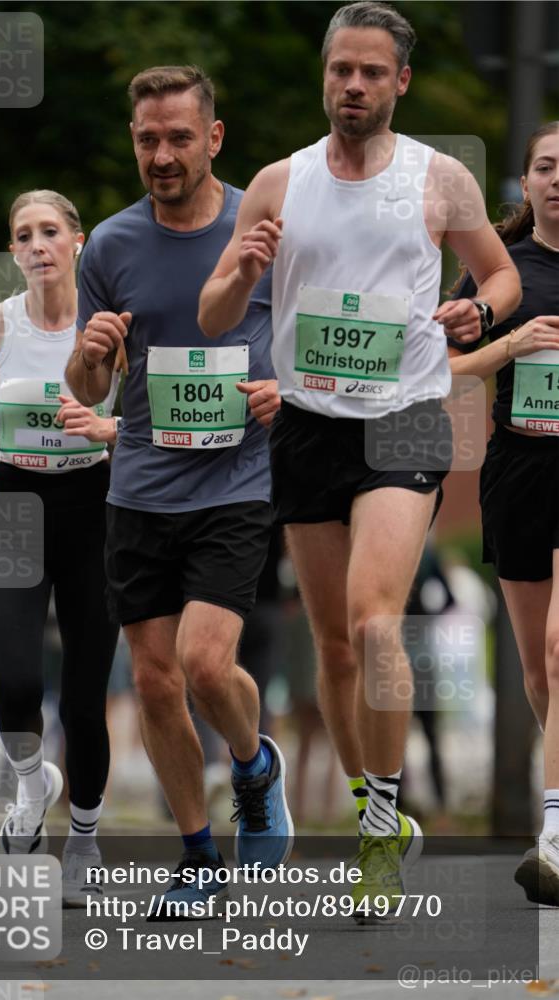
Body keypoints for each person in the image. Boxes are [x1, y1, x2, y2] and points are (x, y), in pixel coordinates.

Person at [198, 0, 521, 919]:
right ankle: (371, 808)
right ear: (325, 74)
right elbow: (218, 319)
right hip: (306, 424)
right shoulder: (277, 182)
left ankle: (382, 822)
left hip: (406, 416)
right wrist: (242, 273)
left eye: (371, 72)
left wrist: (478, 311)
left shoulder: (439, 178)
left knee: (376, 623)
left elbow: (495, 275)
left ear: (399, 83)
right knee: (333, 645)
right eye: (341, 68)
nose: (352, 85)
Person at [65, 65, 292, 918]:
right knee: (155, 681)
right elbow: (87, 386)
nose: (161, 155)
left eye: (178, 138)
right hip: (140, 485)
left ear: (215, 138)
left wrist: (288, 391)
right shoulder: (111, 247)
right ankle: (197, 854)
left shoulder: (264, 226)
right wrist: (89, 350)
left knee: (203, 664)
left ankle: (252, 764)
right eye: (146, 140)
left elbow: (308, 336)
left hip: (239, 478)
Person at [0, 190, 118, 907]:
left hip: (95, 506)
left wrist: (108, 430)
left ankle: (83, 840)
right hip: (17, 501)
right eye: (24, 235)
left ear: (77, 241)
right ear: (13, 251)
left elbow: (136, 413)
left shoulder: (107, 328)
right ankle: (29, 786)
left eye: (51, 231)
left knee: (84, 694)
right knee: (13, 676)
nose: (38, 244)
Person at [448, 121, 559, 905]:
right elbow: (440, 367)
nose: (558, 180)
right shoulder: (501, 274)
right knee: (536, 671)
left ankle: (553, 829)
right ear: (525, 183)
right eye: (546, 167)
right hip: (519, 470)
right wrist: (510, 346)